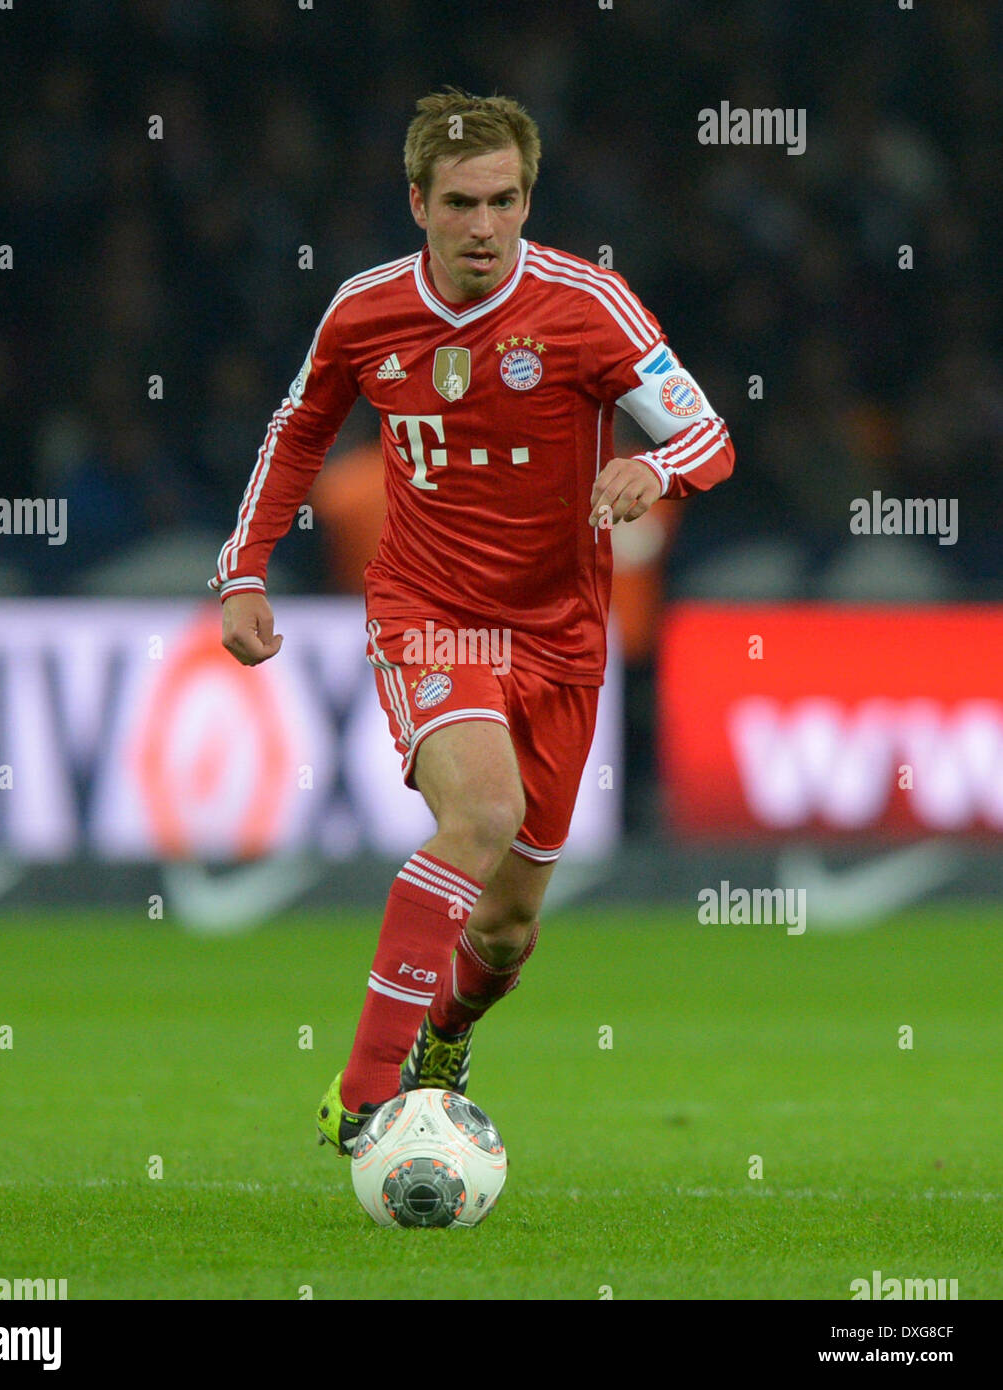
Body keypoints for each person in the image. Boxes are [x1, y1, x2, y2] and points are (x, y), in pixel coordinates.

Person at [211, 88, 735, 1153]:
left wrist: (651, 466)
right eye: (459, 203)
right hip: (430, 612)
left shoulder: (589, 305)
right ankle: (362, 1098)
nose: (483, 226)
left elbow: (710, 436)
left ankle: (443, 1038)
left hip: (562, 632)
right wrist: (243, 572)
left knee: (505, 925)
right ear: (417, 201)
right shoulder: (364, 312)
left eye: (503, 201)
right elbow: (297, 434)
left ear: (528, 199)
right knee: (480, 812)